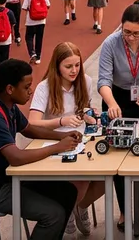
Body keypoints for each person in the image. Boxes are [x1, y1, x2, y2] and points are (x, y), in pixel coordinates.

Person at [0, 59, 81, 239]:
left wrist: (63, 136)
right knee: (53, 214)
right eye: (26, 87)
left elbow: (29, 129)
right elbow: (16, 158)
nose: (31, 91)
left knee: (68, 192)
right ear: (10, 89)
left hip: (7, 178)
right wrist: (57, 147)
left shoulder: (8, 107)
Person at [97, 4, 139, 225]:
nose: (131, 37)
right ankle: (125, 210)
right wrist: (111, 104)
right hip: (117, 97)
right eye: (127, 32)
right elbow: (104, 80)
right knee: (119, 156)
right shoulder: (110, 43)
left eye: (137, 33)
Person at [28, 41, 102, 235]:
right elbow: (33, 122)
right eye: (68, 66)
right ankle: (69, 209)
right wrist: (61, 121)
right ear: (57, 66)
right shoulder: (45, 87)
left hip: (81, 139)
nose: (74, 70)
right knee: (75, 178)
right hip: (54, 142)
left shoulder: (85, 81)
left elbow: (83, 108)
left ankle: (79, 206)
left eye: (77, 65)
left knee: (104, 177)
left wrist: (88, 115)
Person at [22, 0, 50, 64]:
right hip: (41, 21)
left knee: (29, 37)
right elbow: (48, 5)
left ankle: (32, 53)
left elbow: (24, 7)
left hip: (31, 21)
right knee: (39, 38)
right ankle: (38, 56)